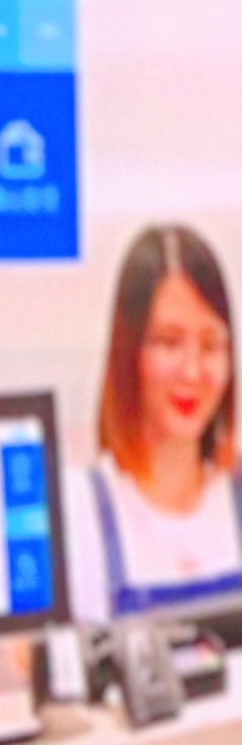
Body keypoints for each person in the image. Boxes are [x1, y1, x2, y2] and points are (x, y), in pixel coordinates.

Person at [74, 222, 242, 618]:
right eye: (169, 342)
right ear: (129, 352)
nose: (192, 371)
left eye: (210, 346)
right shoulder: (82, 513)